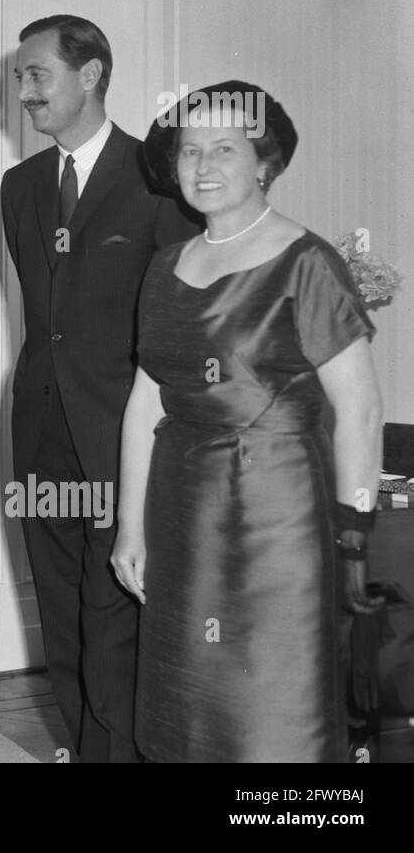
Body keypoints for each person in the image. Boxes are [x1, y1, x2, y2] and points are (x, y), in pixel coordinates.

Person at [111, 82, 384, 762]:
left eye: (224, 149)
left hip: (277, 519)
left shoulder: (307, 263)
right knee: (186, 703)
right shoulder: (165, 265)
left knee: (270, 708)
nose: (202, 165)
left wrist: (353, 537)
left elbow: (360, 407)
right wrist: (129, 527)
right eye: (189, 151)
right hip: (181, 511)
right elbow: (146, 400)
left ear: (264, 162)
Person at [1, 15, 198, 763]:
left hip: (126, 442)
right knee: (62, 622)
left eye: (36, 75)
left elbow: (175, 321)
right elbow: (44, 318)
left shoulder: (155, 179)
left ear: (89, 76)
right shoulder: (18, 189)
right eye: (18, 77)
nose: (23, 92)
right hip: (42, 438)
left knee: (113, 621)